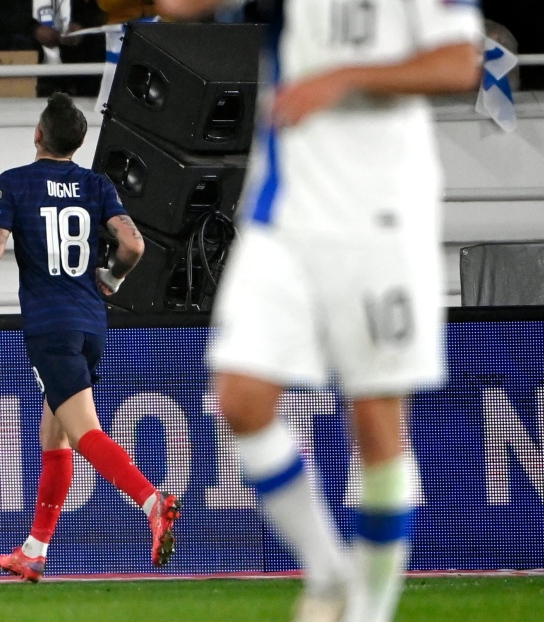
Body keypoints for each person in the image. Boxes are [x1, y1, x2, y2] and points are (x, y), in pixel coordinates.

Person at [157, 1, 483, 620]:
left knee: (376, 423)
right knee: (240, 399)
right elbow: (178, 6)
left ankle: (369, 611)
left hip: (382, 213)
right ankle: (329, 571)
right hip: (284, 212)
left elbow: (459, 61)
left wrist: (348, 75)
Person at [0, 92, 179, 583]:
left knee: (84, 432)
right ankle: (34, 549)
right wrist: (111, 279)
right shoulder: (96, 184)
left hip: (50, 326)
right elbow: (132, 244)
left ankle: (153, 502)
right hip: (92, 322)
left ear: (38, 134)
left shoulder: (16, 182)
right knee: (56, 434)